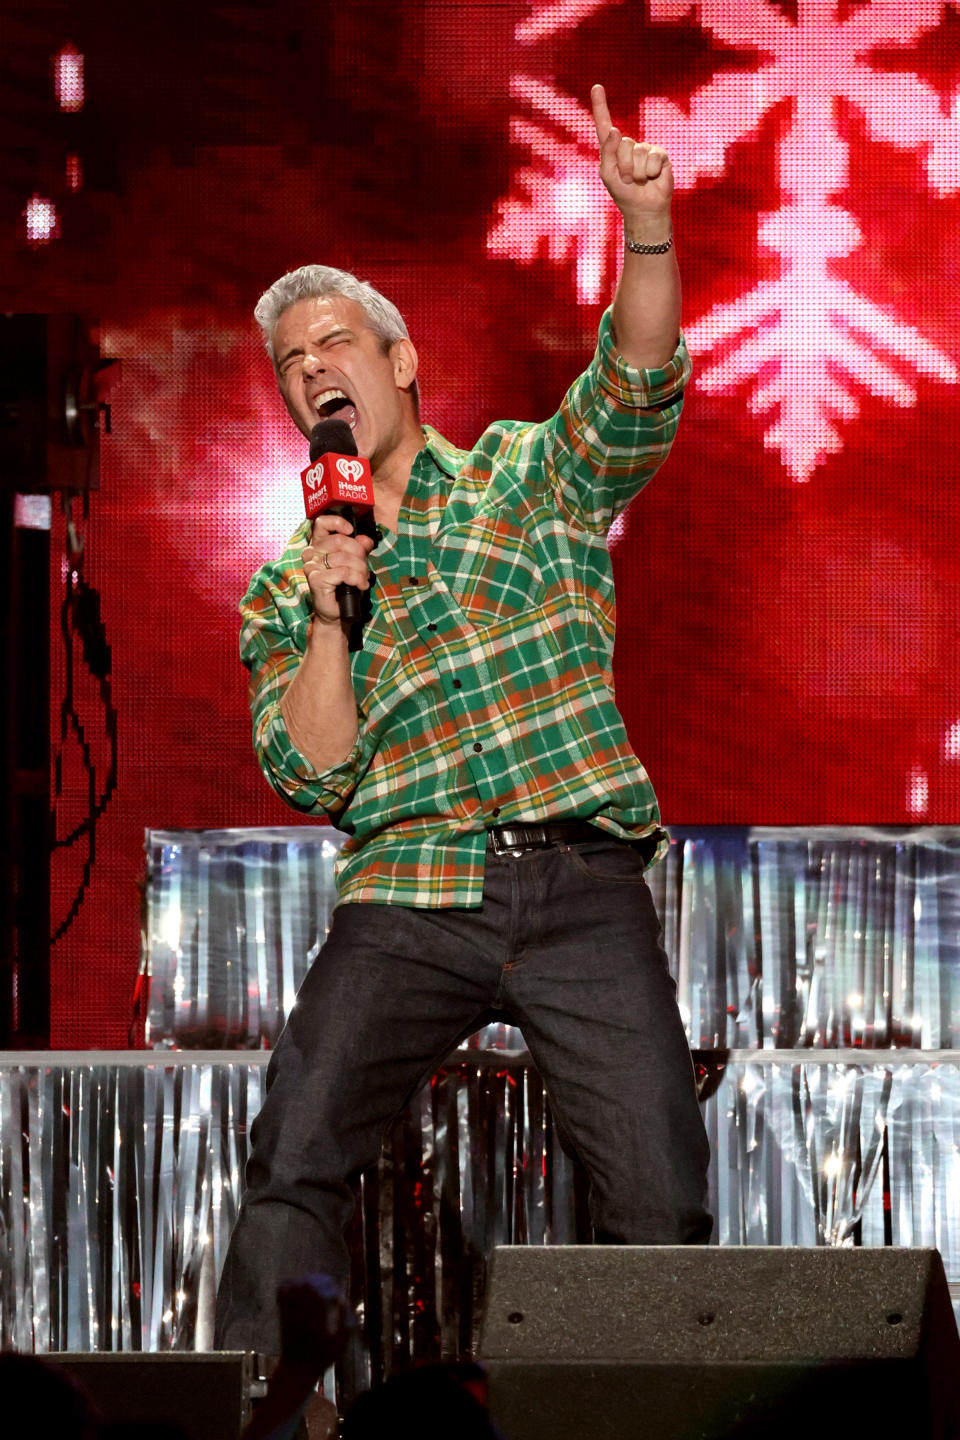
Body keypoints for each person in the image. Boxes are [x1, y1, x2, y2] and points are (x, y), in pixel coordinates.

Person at [215, 84, 712, 1358]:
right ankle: (259, 1432)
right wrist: (336, 608)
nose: (313, 369)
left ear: (399, 363)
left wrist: (645, 230)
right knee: (294, 1160)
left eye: (334, 345)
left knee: (660, 1198)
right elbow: (307, 768)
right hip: (409, 888)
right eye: (290, 364)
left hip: (577, 877)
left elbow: (636, 386)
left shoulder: (521, 479)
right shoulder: (285, 583)